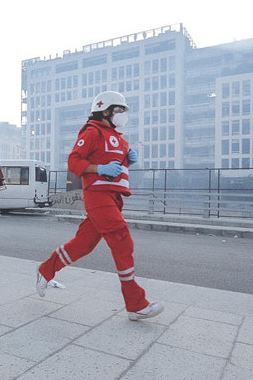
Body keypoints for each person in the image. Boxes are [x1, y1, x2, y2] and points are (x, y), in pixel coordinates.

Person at [36, 91, 164, 321]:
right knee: (122, 239)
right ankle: (136, 304)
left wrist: (128, 159)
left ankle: (45, 270)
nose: (123, 115)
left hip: (114, 197)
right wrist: (99, 169)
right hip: (98, 195)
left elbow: (113, 162)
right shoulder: (92, 131)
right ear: (105, 111)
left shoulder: (118, 137)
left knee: (83, 244)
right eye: (119, 110)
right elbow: (74, 162)